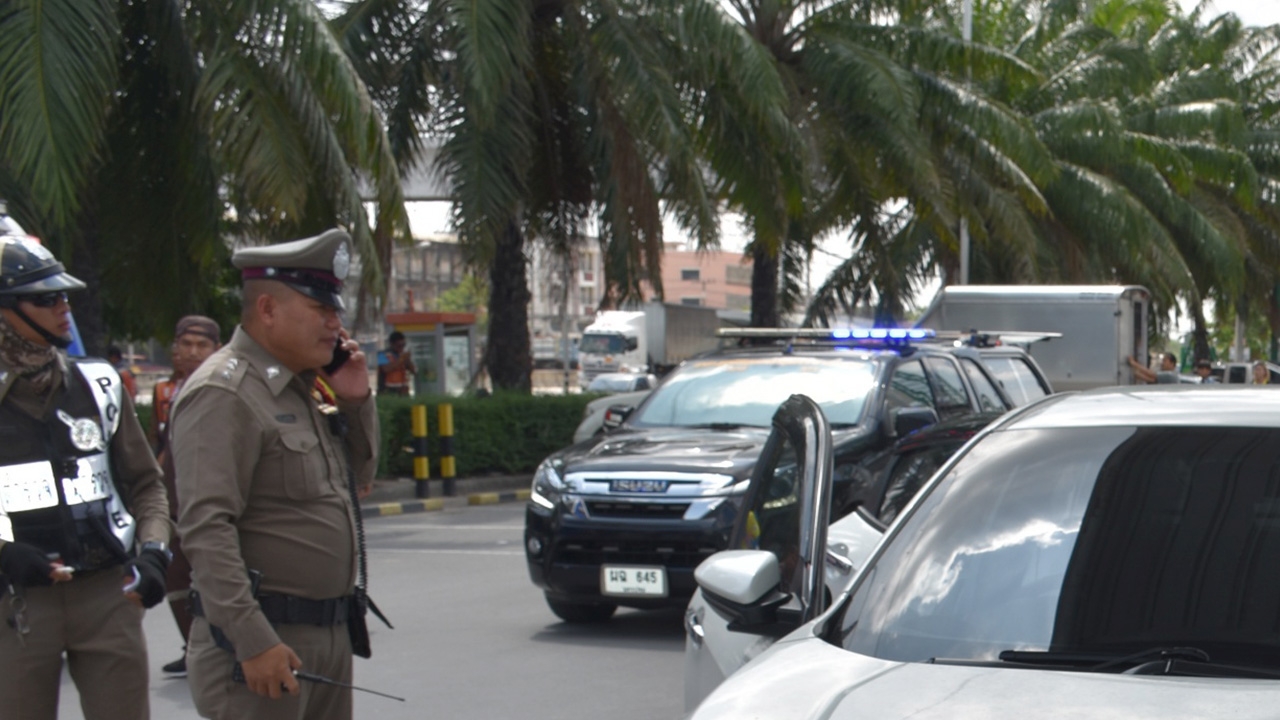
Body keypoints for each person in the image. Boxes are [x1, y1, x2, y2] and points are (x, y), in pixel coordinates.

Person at [171, 229, 381, 720]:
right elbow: (205, 529)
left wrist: (354, 400)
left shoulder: (301, 389)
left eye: (336, 312)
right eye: (321, 311)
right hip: (265, 641)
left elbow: (360, 478)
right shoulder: (225, 393)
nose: (335, 325)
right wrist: (251, 640)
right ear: (267, 309)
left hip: (325, 635)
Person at [0, 236, 172, 720]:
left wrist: (156, 550)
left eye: (65, 297)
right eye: (46, 298)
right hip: (16, 602)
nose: (63, 308)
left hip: (107, 595)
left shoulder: (99, 385)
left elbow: (146, 484)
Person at [154, 315, 222, 678]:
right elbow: (161, 444)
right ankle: (193, 647)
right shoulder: (167, 391)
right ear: (175, 350)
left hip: (207, 506)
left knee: (214, 579)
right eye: (187, 344)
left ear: (217, 349)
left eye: (203, 345)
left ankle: (222, 649)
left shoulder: (223, 391)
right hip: (174, 505)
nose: (194, 352)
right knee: (175, 579)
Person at [376, 330, 415, 396]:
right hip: (387, 390)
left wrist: (407, 360)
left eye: (403, 345)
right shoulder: (382, 354)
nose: (401, 348)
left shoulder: (403, 355)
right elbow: (386, 369)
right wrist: (401, 359)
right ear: (392, 344)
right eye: (399, 345)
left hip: (403, 390)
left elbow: (413, 371)